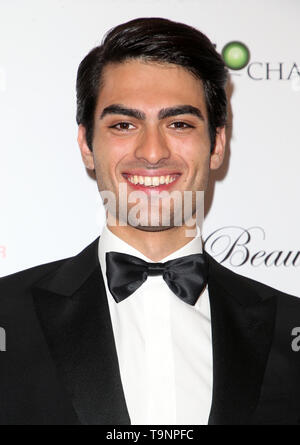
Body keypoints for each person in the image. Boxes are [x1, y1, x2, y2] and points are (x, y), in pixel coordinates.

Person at [0, 17, 300, 426]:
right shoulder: (7, 316)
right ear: (87, 145)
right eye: (124, 125)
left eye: (179, 124)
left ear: (217, 145)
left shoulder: (291, 327)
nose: (153, 151)